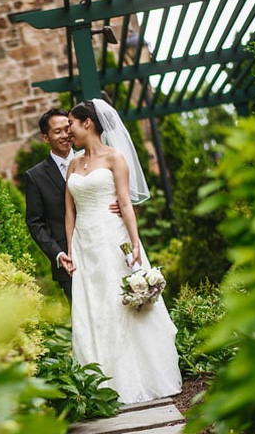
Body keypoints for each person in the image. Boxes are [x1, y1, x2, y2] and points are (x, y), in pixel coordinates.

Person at [62, 99, 181, 404]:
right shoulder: (73, 163)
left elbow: (125, 202)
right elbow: (68, 212)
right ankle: (100, 380)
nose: (68, 130)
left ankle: (137, 377)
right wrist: (70, 250)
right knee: (93, 307)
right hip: (84, 243)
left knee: (119, 303)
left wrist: (136, 243)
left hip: (112, 238)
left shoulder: (115, 158)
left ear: (88, 123)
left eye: (71, 123)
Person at [25, 109, 118, 304]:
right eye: (58, 132)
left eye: (68, 128)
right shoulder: (35, 176)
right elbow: (35, 223)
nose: (66, 135)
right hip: (70, 262)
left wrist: (116, 201)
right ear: (45, 137)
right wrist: (58, 254)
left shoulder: (97, 159)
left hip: (103, 246)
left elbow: (117, 189)